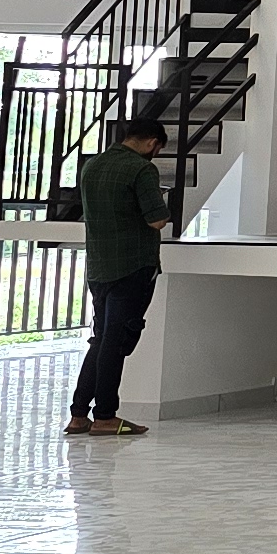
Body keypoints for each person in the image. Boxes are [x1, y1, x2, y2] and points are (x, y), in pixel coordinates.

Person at [69, 117, 166, 435]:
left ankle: (79, 414)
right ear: (152, 143)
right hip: (133, 266)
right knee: (116, 341)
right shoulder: (142, 169)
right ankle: (105, 416)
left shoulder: (92, 165)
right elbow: (156, 220)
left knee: (101, 339)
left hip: (99, 266)